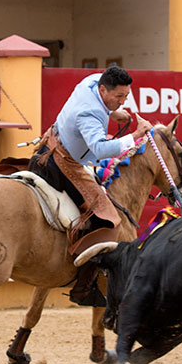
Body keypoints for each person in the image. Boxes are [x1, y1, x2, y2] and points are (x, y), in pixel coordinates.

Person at [29, 66, 152, 306]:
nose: (123, 101)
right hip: (64, 164)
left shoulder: (92, 81)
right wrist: (136, 134)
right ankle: (83, 287)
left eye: (126, 96)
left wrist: (114, 110)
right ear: (104, 89)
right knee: (107, 218)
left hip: (50, 144)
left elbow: (102, 106)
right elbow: (100, 149)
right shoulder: (91, 113)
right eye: (119, 97)